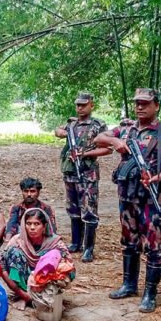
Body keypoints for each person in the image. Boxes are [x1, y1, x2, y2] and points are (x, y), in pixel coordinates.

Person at [95, 88, 161, 313]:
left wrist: (158, 177)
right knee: (129, 241)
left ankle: (150, 293)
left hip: (153, 197)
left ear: (156, 105)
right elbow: (98, 138)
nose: (139, 107)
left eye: (145, 103)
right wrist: (116, 141)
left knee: (156, 245)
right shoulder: (126, 128)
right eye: (137, 103)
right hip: (128, 196)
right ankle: (129, 284)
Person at [54, 92, 110, 262]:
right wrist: (62, 133)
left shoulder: (97, 125)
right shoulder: (71, 124)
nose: (79, 108)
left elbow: (107, 149)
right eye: (78, 105)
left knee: (89, 210)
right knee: (73, 208)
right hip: (70, 172)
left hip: (87, 173)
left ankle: (88, 248)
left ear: (91, 105)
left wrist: (85, 154)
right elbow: (57, 131)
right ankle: (76, 243)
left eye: (83, 105)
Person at [0, 208, 72, 308]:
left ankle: (44, 297)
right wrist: (22, 294)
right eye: (28, 224)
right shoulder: (17, 241)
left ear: (44, 226)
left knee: (56, 256)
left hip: (46, 285)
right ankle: (25, 297)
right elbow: (2, 266)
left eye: (37, 224)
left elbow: (71, 269)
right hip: (22, 289)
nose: (32, 228)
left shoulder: (55, 243)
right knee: (14, 253)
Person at [4, 177, 57, 242]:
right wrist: (8, 240)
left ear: (38, 192)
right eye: (26, 191)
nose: (29, 194)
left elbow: (51, 228)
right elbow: (12, 224)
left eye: (32, 191)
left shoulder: (45, 208)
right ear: (22, 192)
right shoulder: (17, 208)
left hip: (41, 238)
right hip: (21, 238)